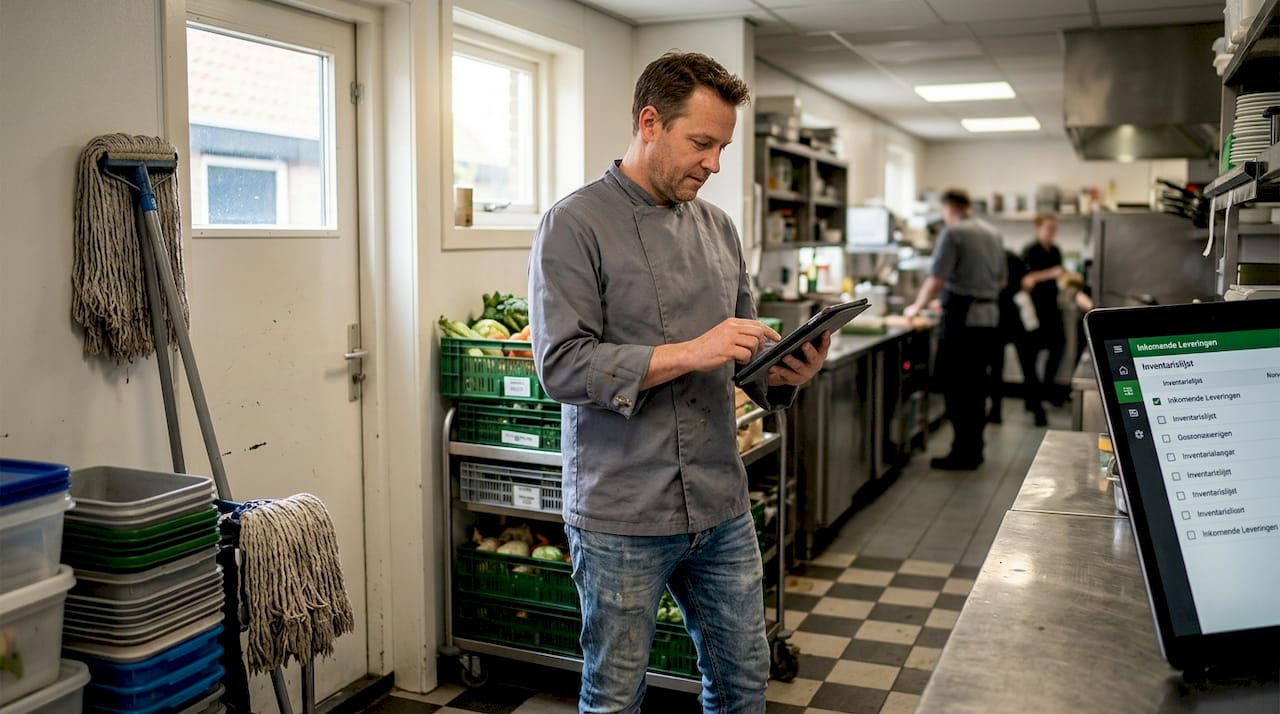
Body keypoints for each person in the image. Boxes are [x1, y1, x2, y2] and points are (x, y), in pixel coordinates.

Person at [528, 51, 829, 713]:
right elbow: (562, 365)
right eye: (701, 143)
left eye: (721, 146)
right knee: (614, 698)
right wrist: (694, 350)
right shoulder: (574, 225)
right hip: (622, 510)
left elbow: (744, 358)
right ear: (649, 123)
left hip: (721, 501)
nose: (714, 163)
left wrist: (787, 373)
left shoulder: (718, 228)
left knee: (743, 686)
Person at [905, 189, 1005, 470]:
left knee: (957, 389)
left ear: (949, 208)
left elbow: (937, 279)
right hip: (989, 319)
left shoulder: (953, 233)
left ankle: (963, 452)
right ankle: (975, 448)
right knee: (976, 388)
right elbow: (1000, 281)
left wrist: (917, 306)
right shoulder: (992, 233)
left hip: (964, 323)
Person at [987, 249, 1041, 425]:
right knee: (1028, 366)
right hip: (1015, 315)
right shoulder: (1012, 256)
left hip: (997, 316)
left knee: (996, 369)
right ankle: (1038, 412)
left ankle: (995, 412)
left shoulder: (990, 257)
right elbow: (1026, 284)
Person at [1020, 213, 1066, 413]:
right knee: (1032, 355)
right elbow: (1026, 280)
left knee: (1058, 347)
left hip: (1052, 307)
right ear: (1037, 228)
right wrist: (1050, 273)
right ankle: (1032, 398)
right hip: (1035, 310)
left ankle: (1047, 389)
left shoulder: (1055, 250)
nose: (1051, 232)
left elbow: (1059, 276)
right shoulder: (1030, 251)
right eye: (1048, 228)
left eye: (1054, 229)